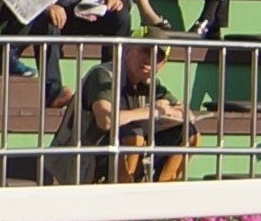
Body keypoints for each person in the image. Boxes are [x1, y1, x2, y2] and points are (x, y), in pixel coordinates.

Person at [48, 40, 199, 184]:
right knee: (133, 134)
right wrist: (150, 111)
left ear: (163, 64)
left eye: (157, 56)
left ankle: (163, 190)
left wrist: (166, 110)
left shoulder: (149, 83)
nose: (149, 60)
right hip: (74, 161)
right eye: (145, 51)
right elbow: (106, 120)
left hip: (103, 157)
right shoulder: (103, 75)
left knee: (188, 132)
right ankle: (123, 192)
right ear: (127, 51)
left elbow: (187, 115)